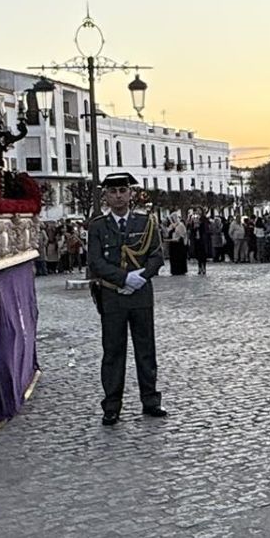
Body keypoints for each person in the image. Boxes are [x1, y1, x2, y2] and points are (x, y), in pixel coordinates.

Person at [87, 173, 168, 424]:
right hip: (112, 296)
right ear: (106, 196)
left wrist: (140, 277)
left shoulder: (145, 223)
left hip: (141, 294)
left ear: (131, 194)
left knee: (146, 349)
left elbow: (156, 255)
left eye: (123, 190)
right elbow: (95, 261)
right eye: (113, 192)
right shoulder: (98, 226)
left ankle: (151, 400)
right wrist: (124, 279)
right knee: (113, 351)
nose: (118, 196)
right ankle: (112, 405)